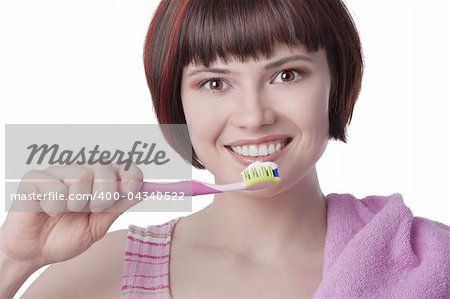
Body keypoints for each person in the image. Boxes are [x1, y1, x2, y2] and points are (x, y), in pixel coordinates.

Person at [1, 0, 448, 298]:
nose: (253, 116)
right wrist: (12, 261)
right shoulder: (99, 272)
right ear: (177, 102)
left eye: (287, 75)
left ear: (336, 84)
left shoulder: (430, 261)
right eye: (215, 83)